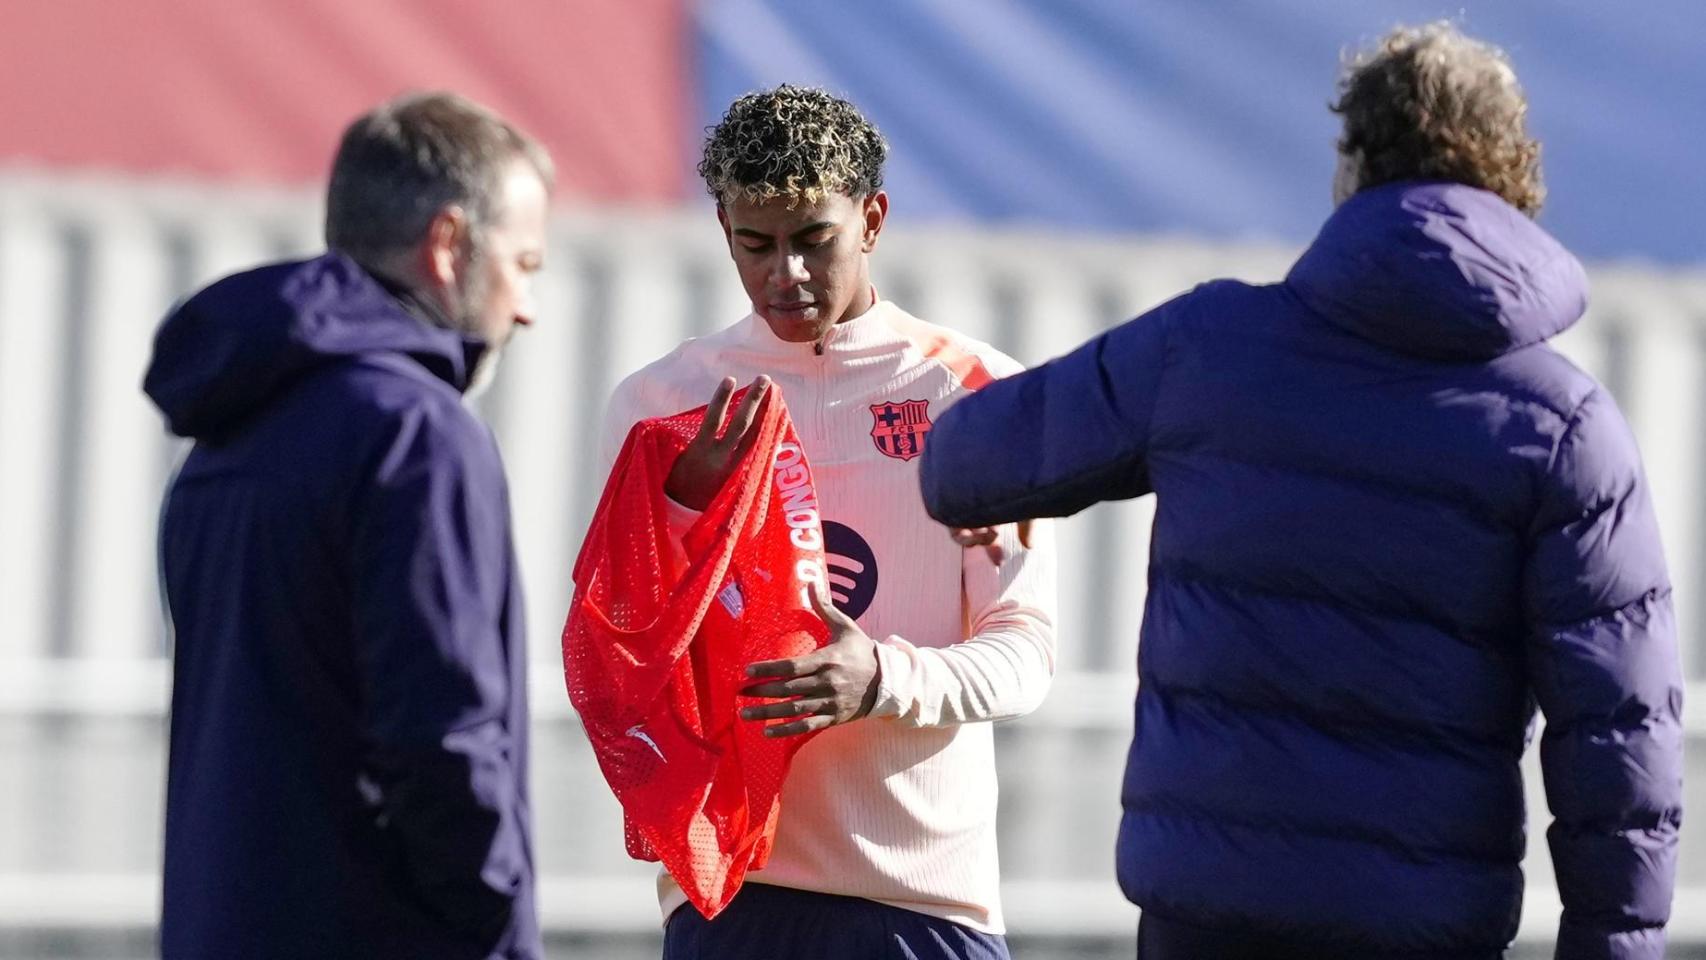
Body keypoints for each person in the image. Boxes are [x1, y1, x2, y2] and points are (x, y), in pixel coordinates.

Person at [920, 22, 1682, 960]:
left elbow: (961, 464)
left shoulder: (1204, 349)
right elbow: (1618, 733)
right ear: (1516, 182)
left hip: (1205, 918)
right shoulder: (1568, 427)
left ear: (1353, 167)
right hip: (1418, 930)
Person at [590, 85, 1057, 959]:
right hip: (729, 898)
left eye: (815, 241)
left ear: (872, 218)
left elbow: (1026, 658)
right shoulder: (663, 403)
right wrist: (684, 515)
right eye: (755, 245)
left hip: (923, 905)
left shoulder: (980, 397)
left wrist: (880, 679)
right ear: (722, 229)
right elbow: (620, 663)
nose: (786, 275)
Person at [142, 92, 552, 959]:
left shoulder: (225, 438)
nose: (527, 308)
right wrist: (503, 935)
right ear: (448, 246)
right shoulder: (418, 435)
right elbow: (444, 741)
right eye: (524, 263)